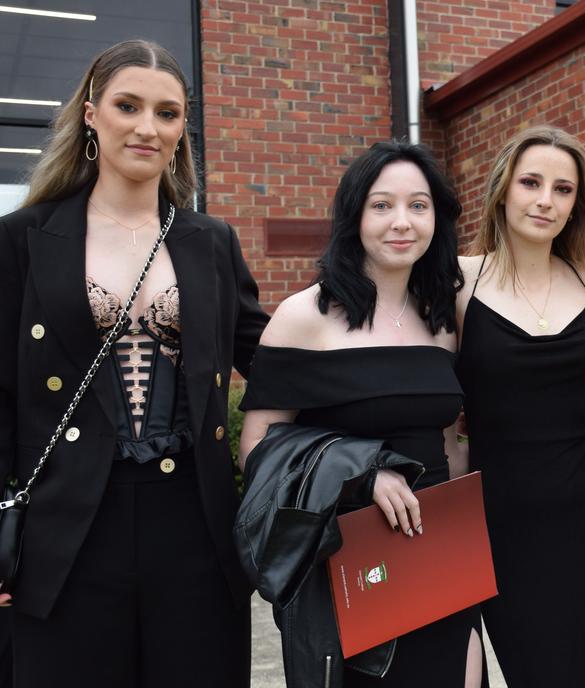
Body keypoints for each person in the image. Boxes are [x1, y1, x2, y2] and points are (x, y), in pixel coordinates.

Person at [0, 40, 268, 686]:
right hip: (66, 533)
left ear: (182, 128)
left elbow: (274, 360)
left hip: (196, 529)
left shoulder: (211, 242)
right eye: (128, 106)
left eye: (168, 113)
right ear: (91, 114)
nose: (148, 128)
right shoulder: (24, 238)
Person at [238, 141, 484, 687]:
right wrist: (359, 470)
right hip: (349, 563)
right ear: (354, 216)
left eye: (418, 206)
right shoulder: (306, 316)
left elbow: (446, 442)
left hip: (441, 551)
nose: (402, 222)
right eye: (382, 205)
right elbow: (255, 449)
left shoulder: (441, 317)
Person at [455, 126, 585, 687]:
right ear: (502, 191)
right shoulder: (458, 280)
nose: (545, 200)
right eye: (531, 183)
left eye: (563, 189)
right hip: (502, 516)